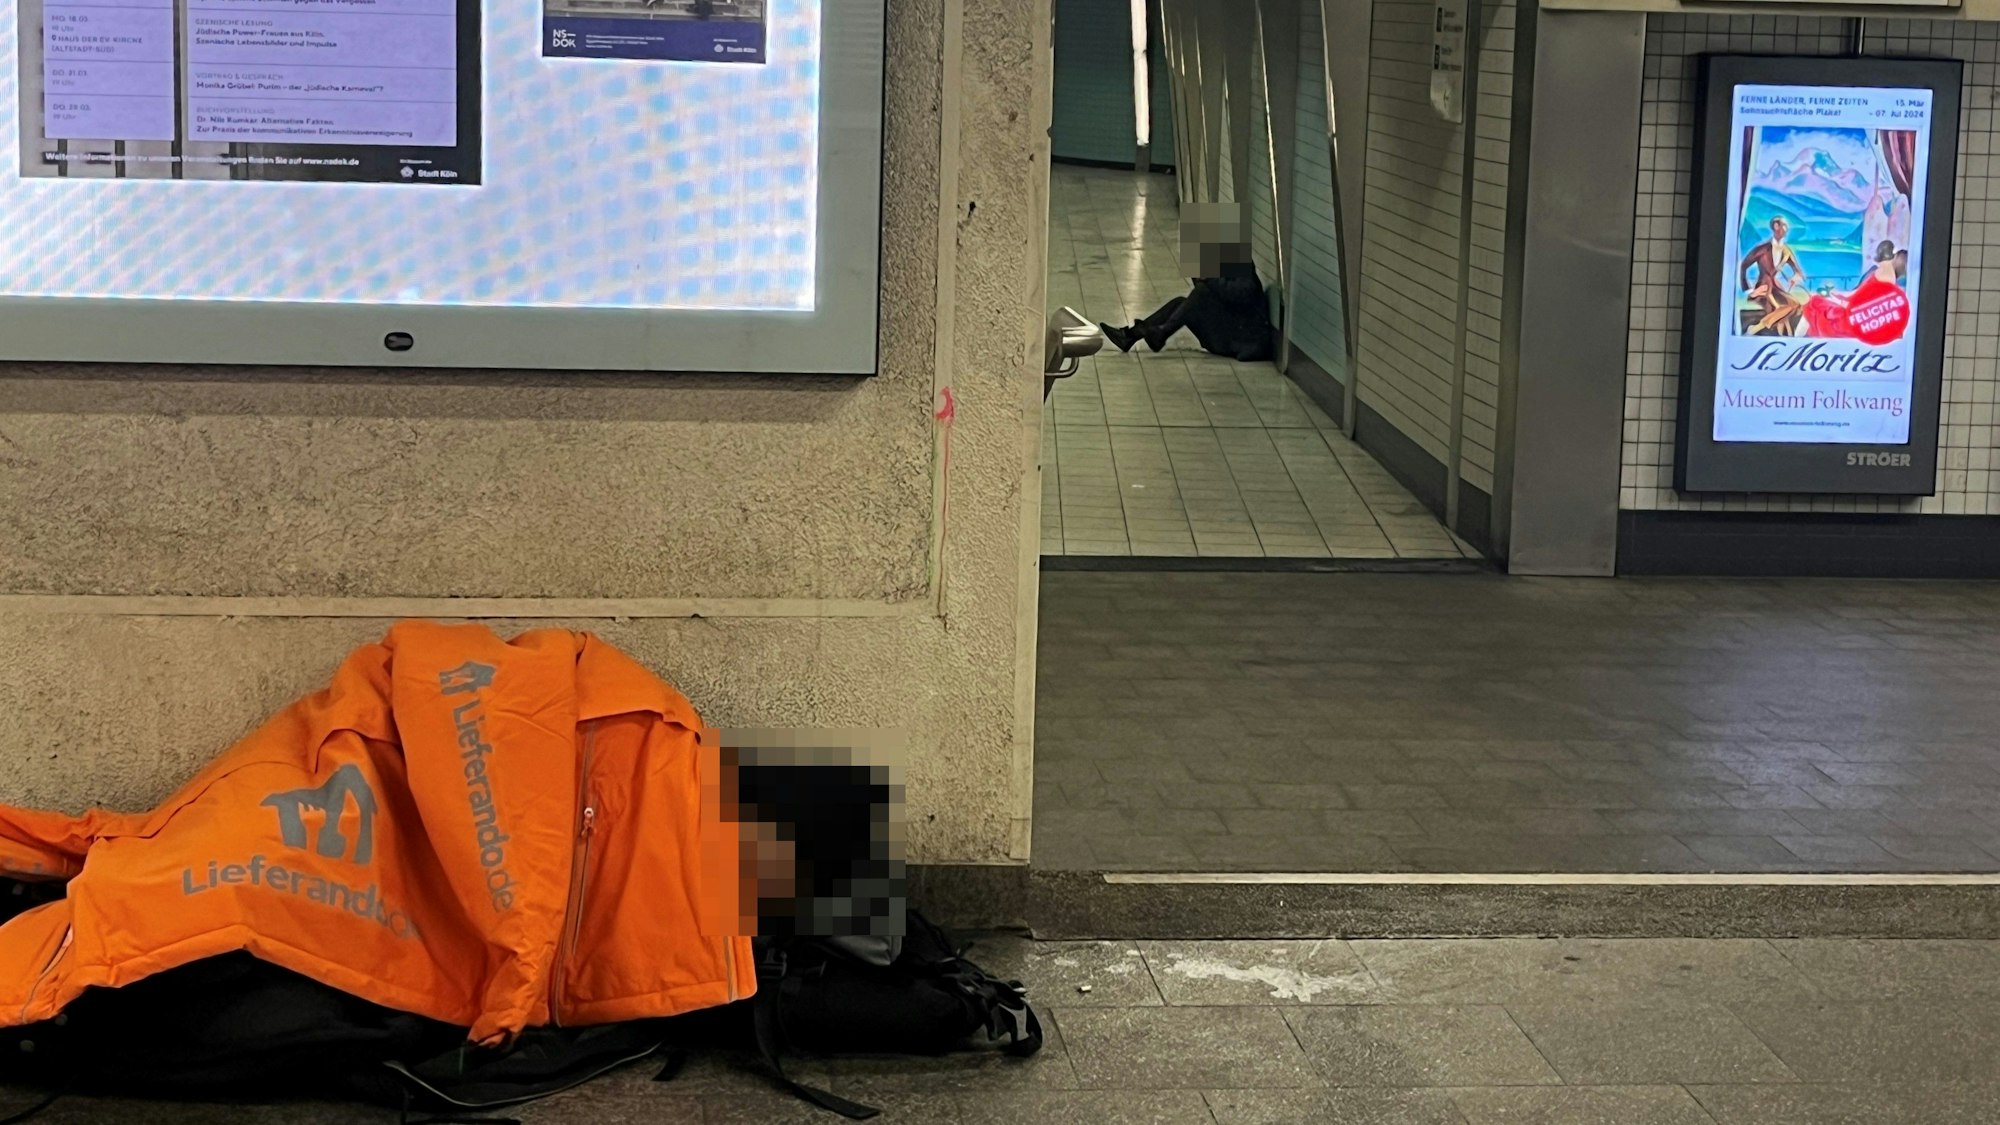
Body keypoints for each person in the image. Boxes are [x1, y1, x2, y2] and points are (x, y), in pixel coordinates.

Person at [1099, 240, 1274, 362]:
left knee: (1200, 293)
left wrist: (1208, 280)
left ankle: (1161, 333)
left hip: (1239, 340)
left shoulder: (1243, 271)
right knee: (1181, 302)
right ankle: (1130, 336)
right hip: (1229, 333)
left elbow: (1238, 296)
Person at [1739, 216, 1808, 335]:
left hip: (1776, 287)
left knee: (1794, 305)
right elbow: (1743, 266)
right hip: (1763, 288)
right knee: (1781, 310)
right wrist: (1749, 290)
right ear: (1776, 227)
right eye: (1784, 225)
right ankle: (1786, 335)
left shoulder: (1786, 250)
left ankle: (1756, 328)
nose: (1787, 229)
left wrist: (1795, 277)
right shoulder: (1762, 249)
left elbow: (1798, 271)